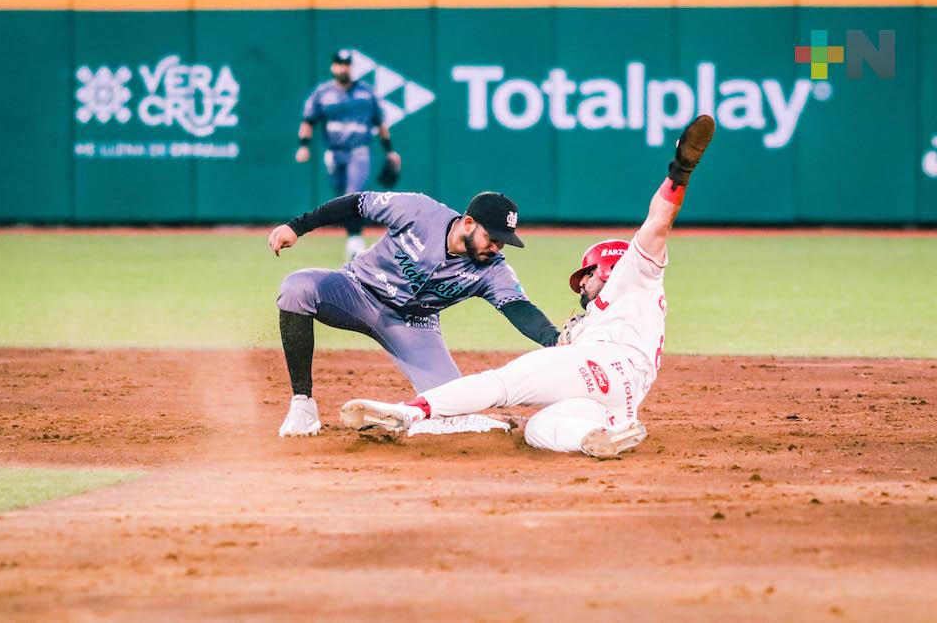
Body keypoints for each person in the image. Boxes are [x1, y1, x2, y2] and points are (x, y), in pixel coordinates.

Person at [339, 115, 716, 459]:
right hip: (624, 397)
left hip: (598, 361)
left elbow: (658, 222)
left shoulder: (635, 274)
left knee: (500, 383)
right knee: (538, 428)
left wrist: (680, 171)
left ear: (610, 266)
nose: (582, 282)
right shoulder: (602, 318)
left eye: (587, 273)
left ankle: (409, 412)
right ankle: (595, 438)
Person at [269, 190, 561, 437]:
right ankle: (303, 405)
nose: (496, 247)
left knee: (450, 407)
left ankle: (402, 416)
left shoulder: (493, 269)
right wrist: (297, 227)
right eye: (492, 237)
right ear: (469, 223)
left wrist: (554, 339)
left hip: (413, 324)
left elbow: (518, 307)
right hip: (357, 290)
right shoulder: (419, 211)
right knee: (298, 288)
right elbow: (357, 204)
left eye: (503, 242)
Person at [296, 48, 402, 261]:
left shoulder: (366, 92)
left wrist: (389, 150)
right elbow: (308, 120)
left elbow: (380, 124)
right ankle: (353, 237)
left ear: (351, 67)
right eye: (339, 63)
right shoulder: (323, 93)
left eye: (347, 64)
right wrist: (303, 145)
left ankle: (356, 240)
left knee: (352, 194)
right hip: (334, 153)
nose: (343, 68)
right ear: (333, 66)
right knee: (341, 199)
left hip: (358, 150)